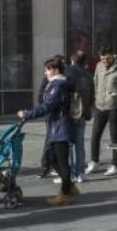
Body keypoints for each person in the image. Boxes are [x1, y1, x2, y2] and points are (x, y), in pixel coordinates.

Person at [19, 56, 80, 206]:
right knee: (52, 158)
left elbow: (48, 106)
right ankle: (70, 188)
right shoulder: (55, 84)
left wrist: (28, 114)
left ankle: (66, 193)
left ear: (55, 70)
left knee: (61, 162)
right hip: (56, 126)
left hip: (61, 127)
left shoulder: (58, 85)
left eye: (47, 69)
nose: (45, 72)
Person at [88, 45, 117, 176]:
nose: (104, 61)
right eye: (102, 59)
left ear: (112, 54)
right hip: (100, 106)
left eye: (107, 58)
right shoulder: (99, 66)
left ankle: (115, 165)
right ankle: (94, 161)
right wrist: (94, 98)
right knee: (95, 135)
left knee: (114, 137)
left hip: (114, 106)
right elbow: (95, 81)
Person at [63, 52, 94, 185]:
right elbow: (92, 96)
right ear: (84, 62)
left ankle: (70, 173)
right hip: (82, 112)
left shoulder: (67, 71)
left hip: (69, 111)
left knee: (68, 144)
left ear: (71, 59)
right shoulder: (88, 75)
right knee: (80, 144)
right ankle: (80, 173)